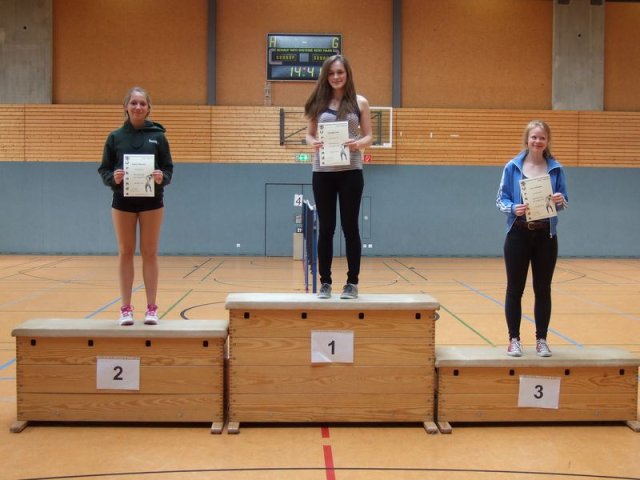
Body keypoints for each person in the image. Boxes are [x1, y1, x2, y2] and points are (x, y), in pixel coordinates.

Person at [98, 87, 174, 326]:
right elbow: (104, 169)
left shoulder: (159, 137)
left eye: (142, 103)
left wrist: (162, 177)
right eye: (134, 103)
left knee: (150, 252)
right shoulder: (115, 137)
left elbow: (168, 169)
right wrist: (113, 178)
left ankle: (152, 308)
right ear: (126, 107)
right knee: (125, 252)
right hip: (123, 202)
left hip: (152, 202)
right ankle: (125, 309)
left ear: (148, 108)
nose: (138, 107)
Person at [496, 120, 568, 357]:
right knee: (514, 289)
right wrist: (512, 208)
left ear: (547, 141)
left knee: (543, 289)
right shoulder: (512, 167)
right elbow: (500, 199)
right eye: (534, 137)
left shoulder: (556, 169)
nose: (537, 141)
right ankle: (514, 339)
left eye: (542, 138)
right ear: (527, 139)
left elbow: (564, 201)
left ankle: (541, 340)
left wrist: (560, 200)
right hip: (518, 234)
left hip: (546, 236)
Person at [304, 55, 373, 299]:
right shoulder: (318, 103)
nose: (336, 77)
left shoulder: (359, 102)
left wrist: (357, 144)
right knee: (326, 228)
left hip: (351, 173)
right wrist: (313, 143)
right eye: (331, 73)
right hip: (323, 173)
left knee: (350, 227)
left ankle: (352, 283)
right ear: (326, 76)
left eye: (340, 72)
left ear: (347, 73)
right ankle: (325, 283)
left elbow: (369, 136)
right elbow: (309, 135)